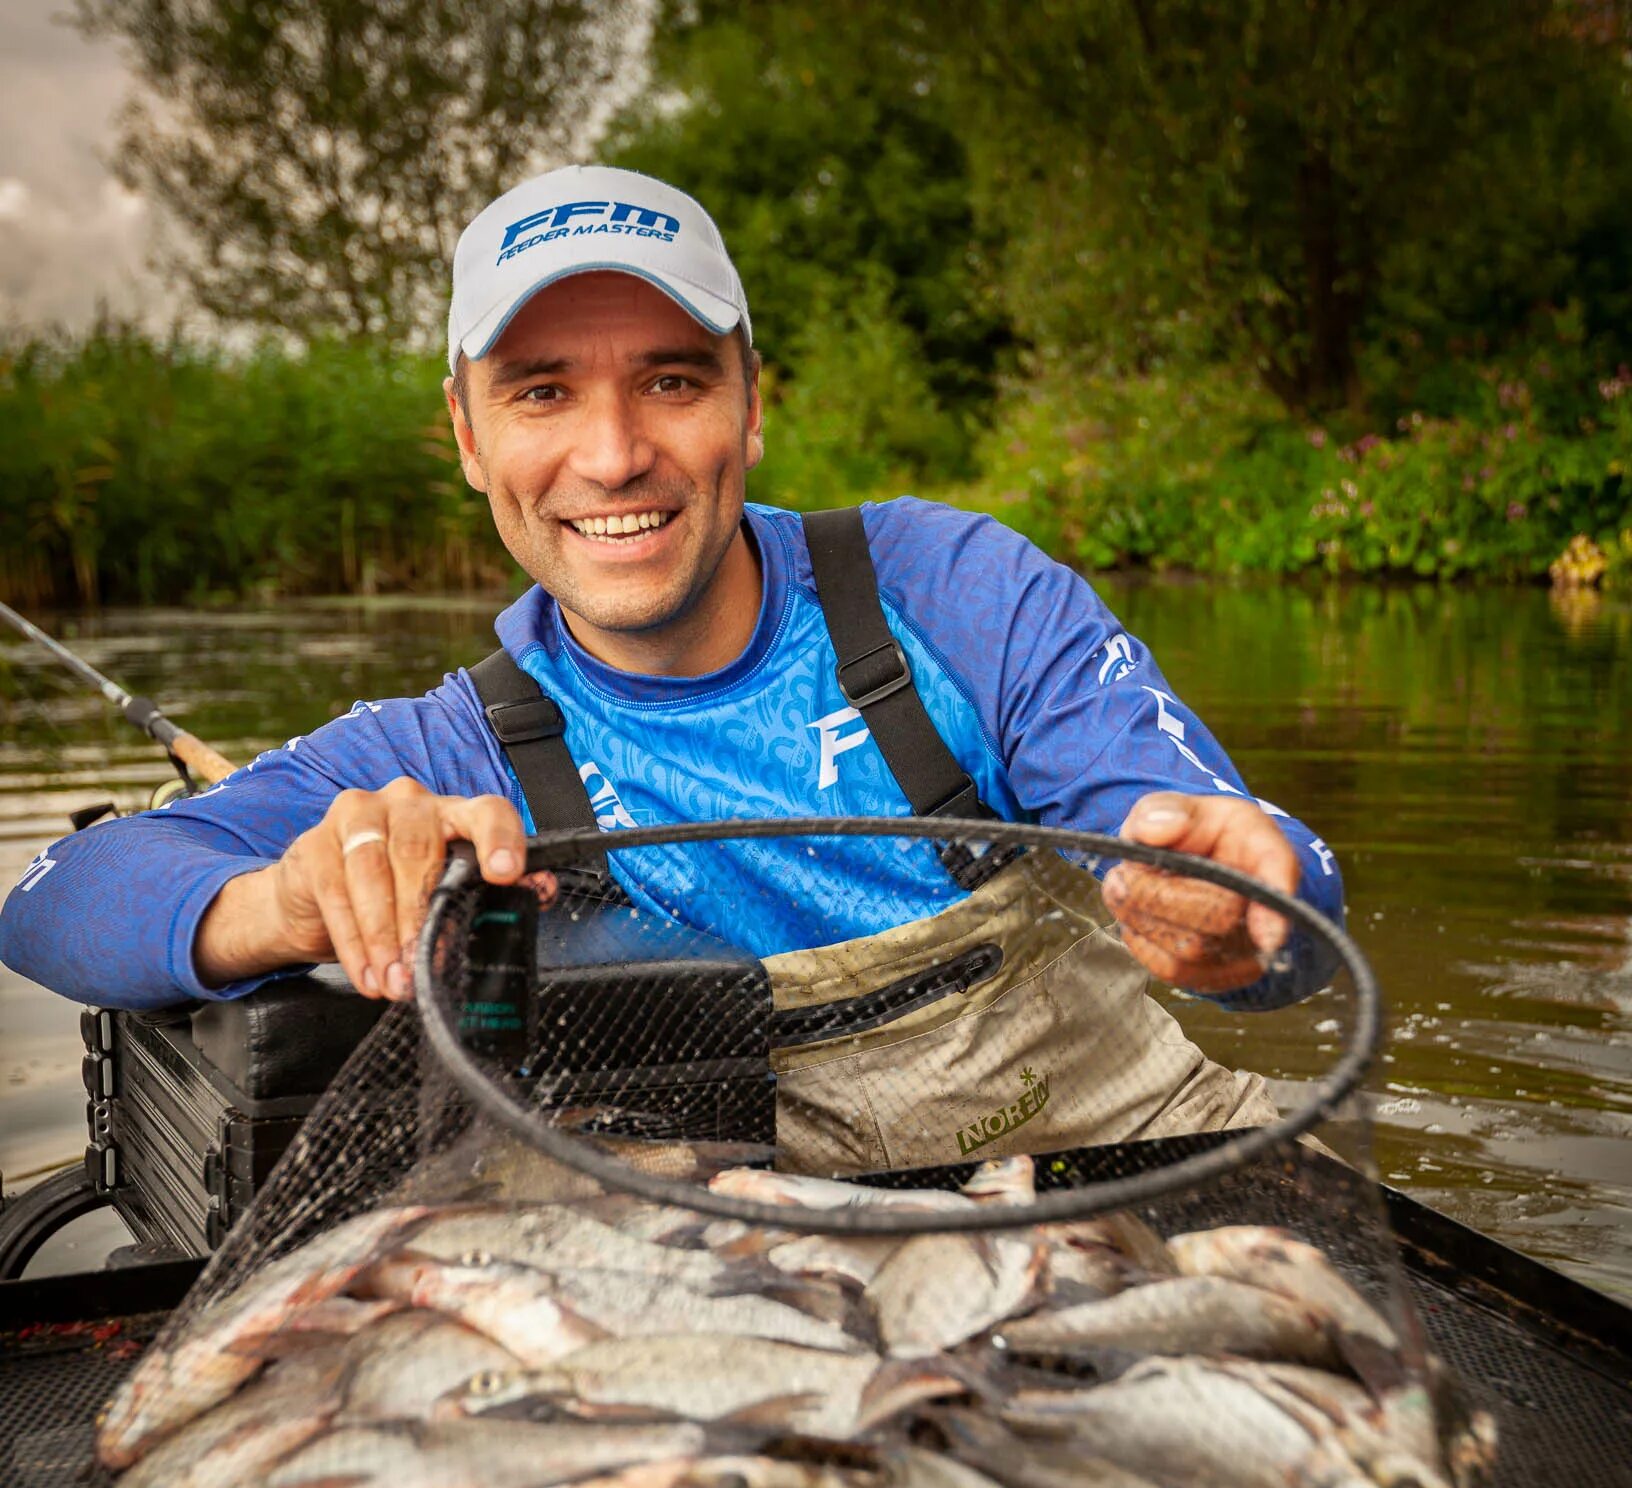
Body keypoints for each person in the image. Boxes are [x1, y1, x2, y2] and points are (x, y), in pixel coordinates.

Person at [0, 166, 1343, 1171]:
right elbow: (54, 899)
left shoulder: (954, 588)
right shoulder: (445, 747)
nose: (612, 455)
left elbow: (1274, 899)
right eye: (541, 391)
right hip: (771, 1277)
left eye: (672, 381)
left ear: (753, 406)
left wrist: (1244, 914)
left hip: (1139, 1171)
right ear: (467, 436)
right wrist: (289, 905)